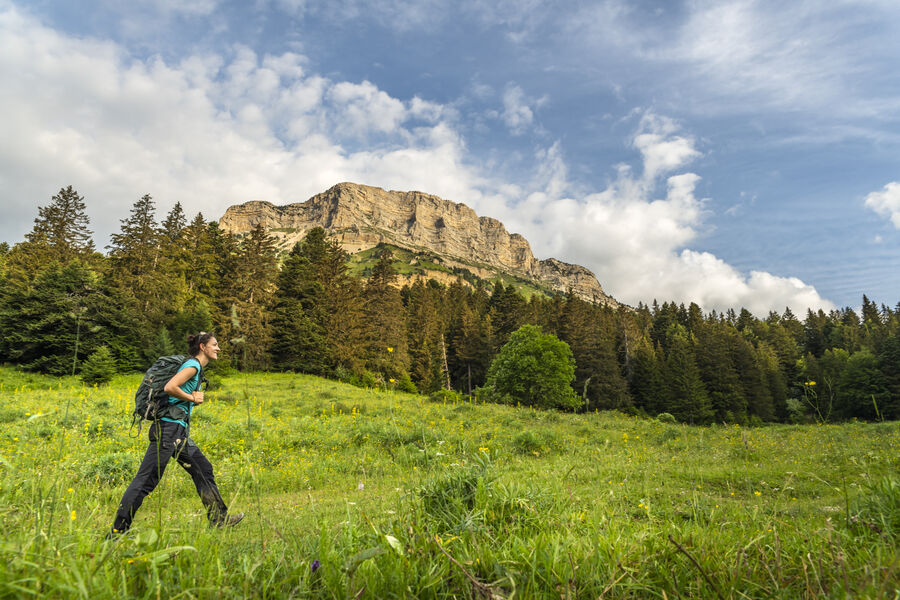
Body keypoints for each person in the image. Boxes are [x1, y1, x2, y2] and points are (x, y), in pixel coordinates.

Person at [108, 332, 243, 536]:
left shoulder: (194, 367)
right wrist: (192, 398)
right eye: (214, 345)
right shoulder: (193, 365)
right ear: (202, 346)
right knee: (145, 480)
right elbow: (170, 387)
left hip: (178, 432)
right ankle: (118, 531)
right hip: (168, 430)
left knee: (203, 469)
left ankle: (218, 519)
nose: (218, 348)